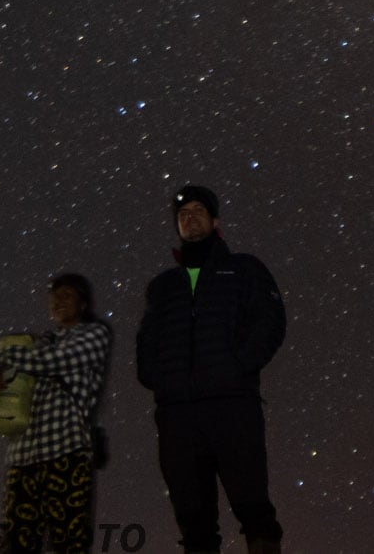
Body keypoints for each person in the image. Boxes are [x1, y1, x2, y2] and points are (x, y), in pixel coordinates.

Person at [135, 184, 285, 554]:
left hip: (232, 406)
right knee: (193, 520)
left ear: (216, 220)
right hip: (178, 416)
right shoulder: (163, 286)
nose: (190, 218)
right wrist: (157, 378)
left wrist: (235, 367)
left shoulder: (243, 269)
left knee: (253, 508)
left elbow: (270, 322)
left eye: (199, 210)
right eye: (183, 214)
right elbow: (146, 340)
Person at [0, 273, 114, 553]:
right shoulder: (35, 344)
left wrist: (1, 357)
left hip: (66, 455)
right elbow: (3, 379)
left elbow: (55, 362)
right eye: (54, 297)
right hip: (23, 459)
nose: (57, 302)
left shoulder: (93, 335)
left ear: (83, 304)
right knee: (16, 545)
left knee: (69, 543)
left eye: (66, 295)